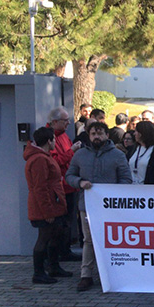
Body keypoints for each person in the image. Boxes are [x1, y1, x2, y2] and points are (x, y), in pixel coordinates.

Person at [65, 122, 132, 291]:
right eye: (93, 133)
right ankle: (86, 275)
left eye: (100, 133)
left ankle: (111, 274)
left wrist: (114, 193)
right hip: (87, 205)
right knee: (88, 240)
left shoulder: (117, 155)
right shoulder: (80, 155)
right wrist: (80, 182)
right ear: (88, 135)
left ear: (107, 135)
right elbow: (69, 175)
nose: (97, 136)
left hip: (110, 207)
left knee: (111, 240)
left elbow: (126, 179)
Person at [24, 127, 72, 284]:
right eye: (53, 139)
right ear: (48, 141)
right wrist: (47, 212)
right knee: (44, 237)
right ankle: (38, 273)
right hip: (45, 207)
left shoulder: (43, 157)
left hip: (52, 204)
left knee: (55, 234)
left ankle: (53, 267)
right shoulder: (39, 159)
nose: (55, 142)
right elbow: (41, 188)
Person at [47, 107, 82, 262]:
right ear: (55, 122)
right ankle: (57, 254)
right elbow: (56, 162)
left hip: (68, 185)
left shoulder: (63, 135)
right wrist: (72, 150)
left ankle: (65, 250)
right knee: (60, 222)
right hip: (60, 188)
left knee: (68, 220)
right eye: (65, 120)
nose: (69, 123)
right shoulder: (49, 137)